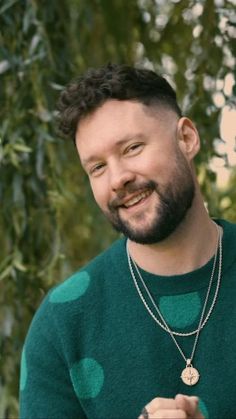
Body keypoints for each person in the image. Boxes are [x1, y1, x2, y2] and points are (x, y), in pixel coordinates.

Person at [19, 64, 236, 419]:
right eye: (97, 168)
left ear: (187, 139)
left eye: (132, 148)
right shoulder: (61, 324)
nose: (118, 179)